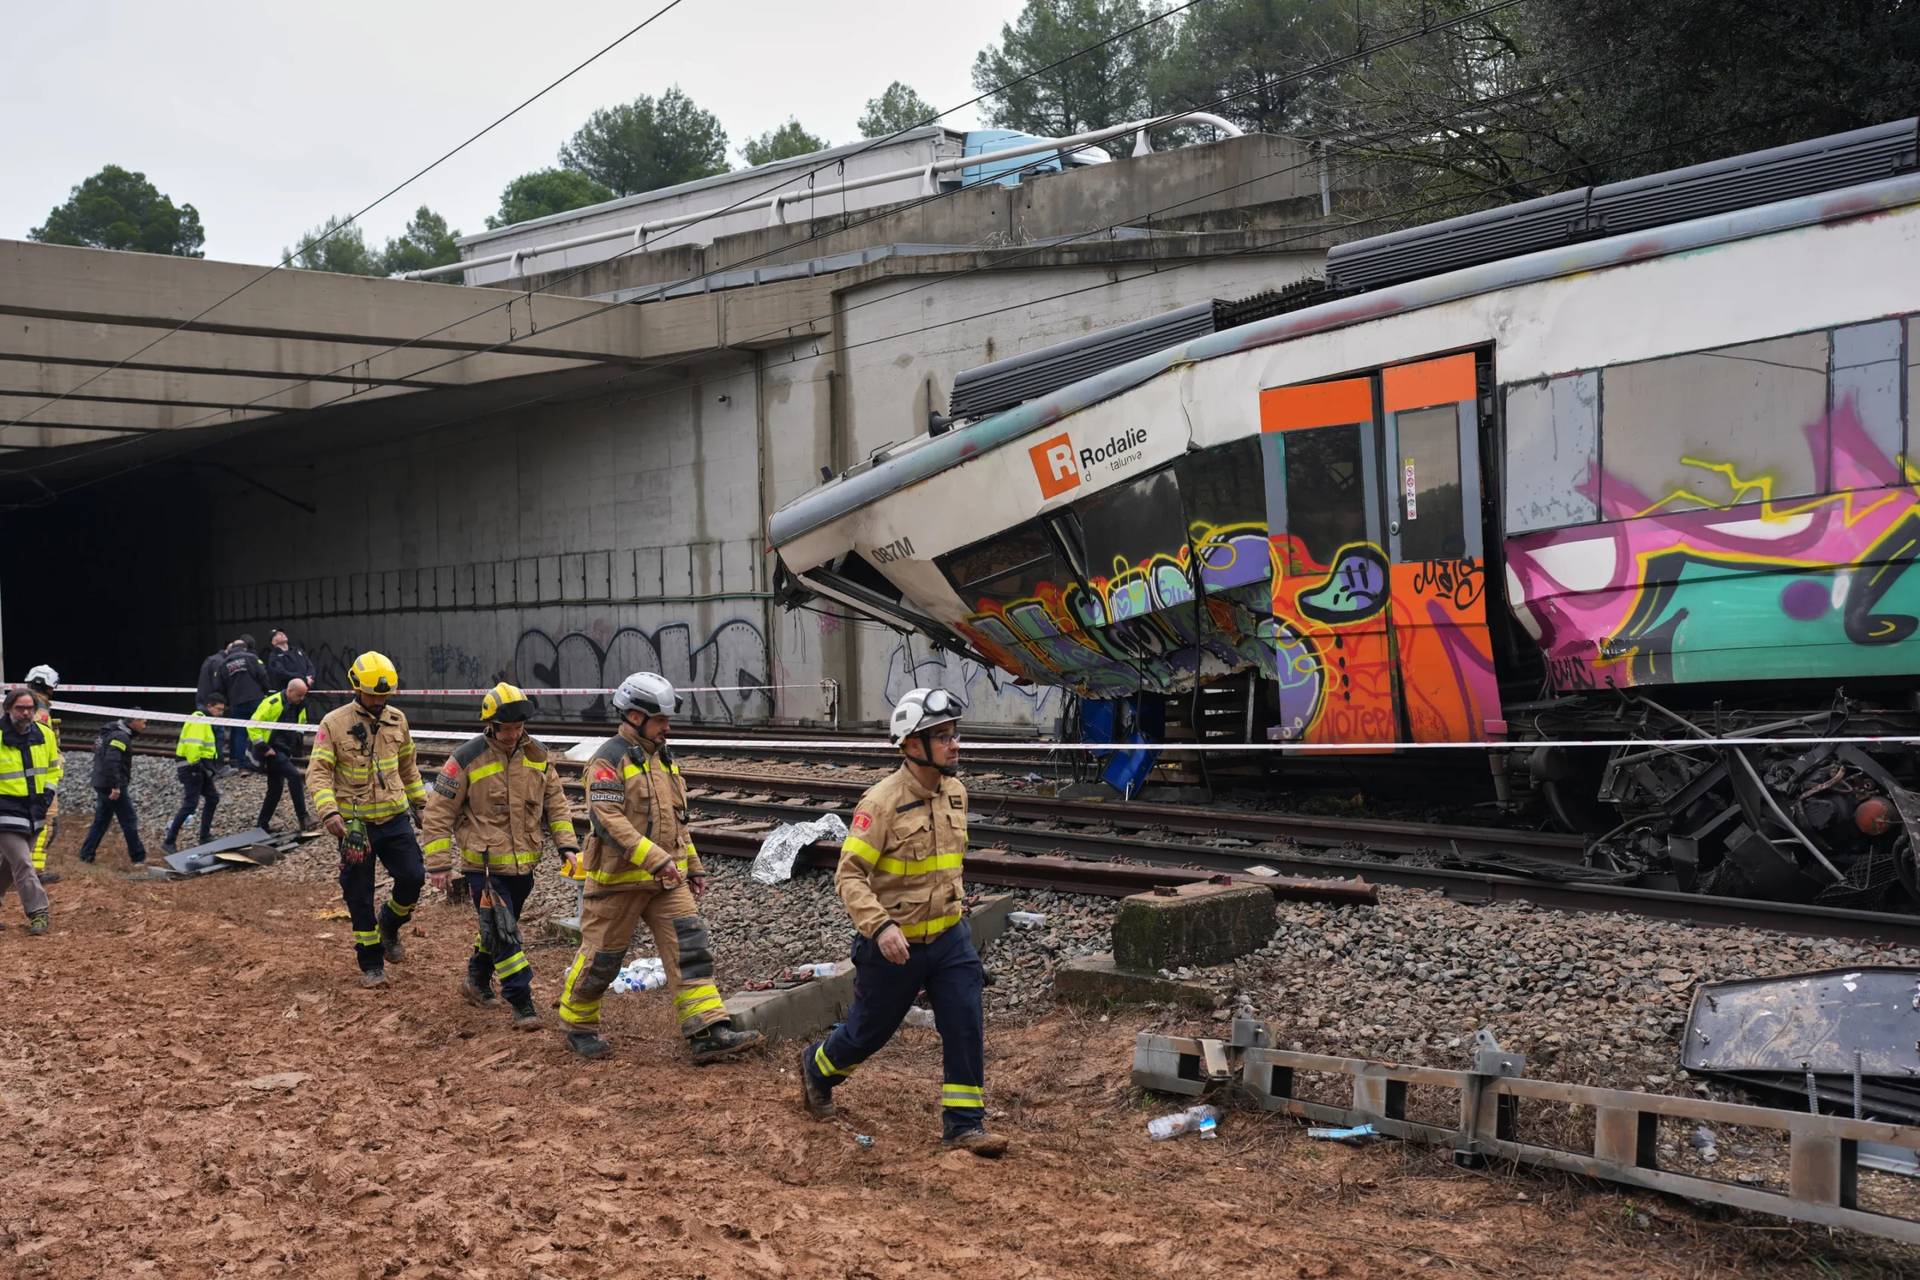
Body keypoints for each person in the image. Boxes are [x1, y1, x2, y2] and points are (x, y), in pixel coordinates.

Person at [799, 688, 1006, 1156]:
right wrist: (881, 927)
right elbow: (849, 876)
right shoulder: (881, 803)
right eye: (943, 736)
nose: (955, 745)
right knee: (868, 1033)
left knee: (964, 1021)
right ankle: (817, 1068)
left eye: (954, 734)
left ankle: (964, 1126)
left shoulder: (955, 792)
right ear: (913, 745)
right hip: (895, 945)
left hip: (950, 937)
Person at [556, 671, 764, 1063]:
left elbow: (677, 822)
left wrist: (694, 866)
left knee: (690, 949)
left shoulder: (662, 759)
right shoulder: (608, 760)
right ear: (635, 716)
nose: (668, 727)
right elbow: (607, 819)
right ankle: (578, 1024)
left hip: (666, 881)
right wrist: (658, 859)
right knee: (602, 959)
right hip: (618, 881)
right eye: (661, 720)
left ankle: (707, 1030)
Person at [421, 682, 577, 1030]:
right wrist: (439, 864)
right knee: (506, 934)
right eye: (506, 728)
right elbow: (438, 813)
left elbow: (557, 805)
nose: (512, 735)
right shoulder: (466, 759)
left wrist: (568, 845)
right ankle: (522, 1001)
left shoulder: (537, 756)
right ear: (490, 724)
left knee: (495, 929)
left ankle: (476, 979)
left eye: (518, 728)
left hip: (524, 865)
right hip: (485, 866)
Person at [305, 651, 428, 988]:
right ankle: (371, 962)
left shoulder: (397, 720)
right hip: (355, 827)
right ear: (357, 688)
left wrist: (420, 804)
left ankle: (389, 925)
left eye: (384, 695)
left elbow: (408, 767)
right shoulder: (334, 723)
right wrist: (329, 811)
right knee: (358, 895)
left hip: (394, 817)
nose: (378, 701)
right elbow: (318, 773)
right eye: (373, 694)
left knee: (413, 877)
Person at [0, 687, 56, 935]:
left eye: (29, 708)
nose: (25, 713)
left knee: (7, 866)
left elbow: (54, 768)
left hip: (35, 808)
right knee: (23, 862)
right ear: (8, 709)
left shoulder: (45, 734)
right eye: (20, 708)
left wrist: (48, 793)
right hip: (5, 809)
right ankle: (39, 913)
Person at [76, 712, 150, 866]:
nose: (145, 724)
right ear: (133, 721)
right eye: (143, 721)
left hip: (102, 782)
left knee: (101, 821)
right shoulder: (120, 737)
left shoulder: (110, 732)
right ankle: (138, 858)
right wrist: (115, 786)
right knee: (128, 820)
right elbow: (112, 761)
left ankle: (86, 855)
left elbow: (98, 752)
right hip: (111, 785)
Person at [248, 678, 313, 833]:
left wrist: (297, 744)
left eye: (303, 696)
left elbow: (300, 725)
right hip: (273, 750)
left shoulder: (300, 705)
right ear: (289, 691)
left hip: (284, 750)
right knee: (294, 777)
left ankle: (262, 825)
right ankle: (303, 817)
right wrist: (264, 748)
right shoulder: (272, 703)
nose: (301, 699)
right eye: (299, 695)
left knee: (275, 789)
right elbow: (253, 725)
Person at [164, 697, 224, 853]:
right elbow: (193, 745)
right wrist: (196, 765)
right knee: (190, 804)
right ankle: (169, 841)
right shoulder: (199, 720)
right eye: (218, 709)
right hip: (192, 767)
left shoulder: (202, 719)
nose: (220, 713)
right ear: (209, 706)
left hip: (198, 766)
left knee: (212, 798)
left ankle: (204, 836)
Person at [23, 664, 63, 884]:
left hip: (25, 776)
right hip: (39, 777)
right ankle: (34, 871)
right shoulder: (39, 709)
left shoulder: (17, 704)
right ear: (50, 686)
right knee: (44, 821)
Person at [220, 635, 269, 767]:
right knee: (259, 729)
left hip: (237, 702)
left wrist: (229, 701)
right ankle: (260, 760)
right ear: (245, 648)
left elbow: (221, 685)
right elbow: (263, 675)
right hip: (255, 699)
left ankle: (241, 762)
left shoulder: (224, 663)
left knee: (240, 733)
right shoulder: (252, 658)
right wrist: (265, 691)